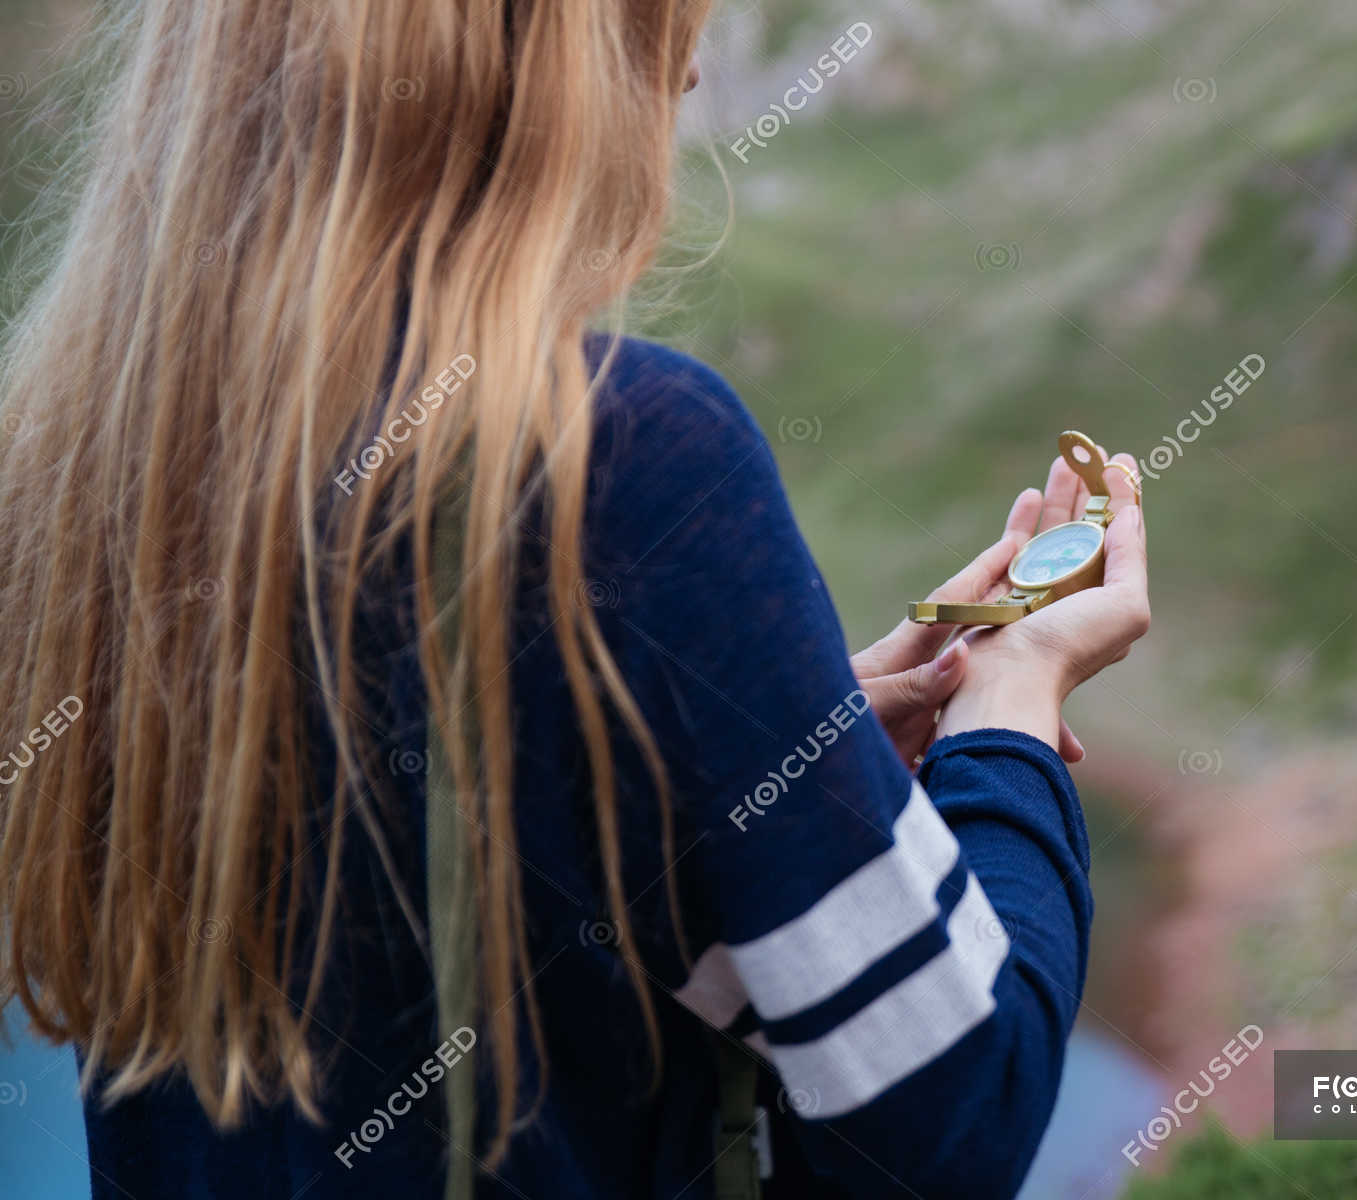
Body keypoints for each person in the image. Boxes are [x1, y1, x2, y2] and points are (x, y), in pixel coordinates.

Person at [0, 2, 1150, 1196]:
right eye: (659, 23)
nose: (693, 66)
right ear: (546, 60)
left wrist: (798, 744)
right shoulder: (623, 454)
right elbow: (953, 1123)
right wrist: (1008, 702)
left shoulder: (85, 474)